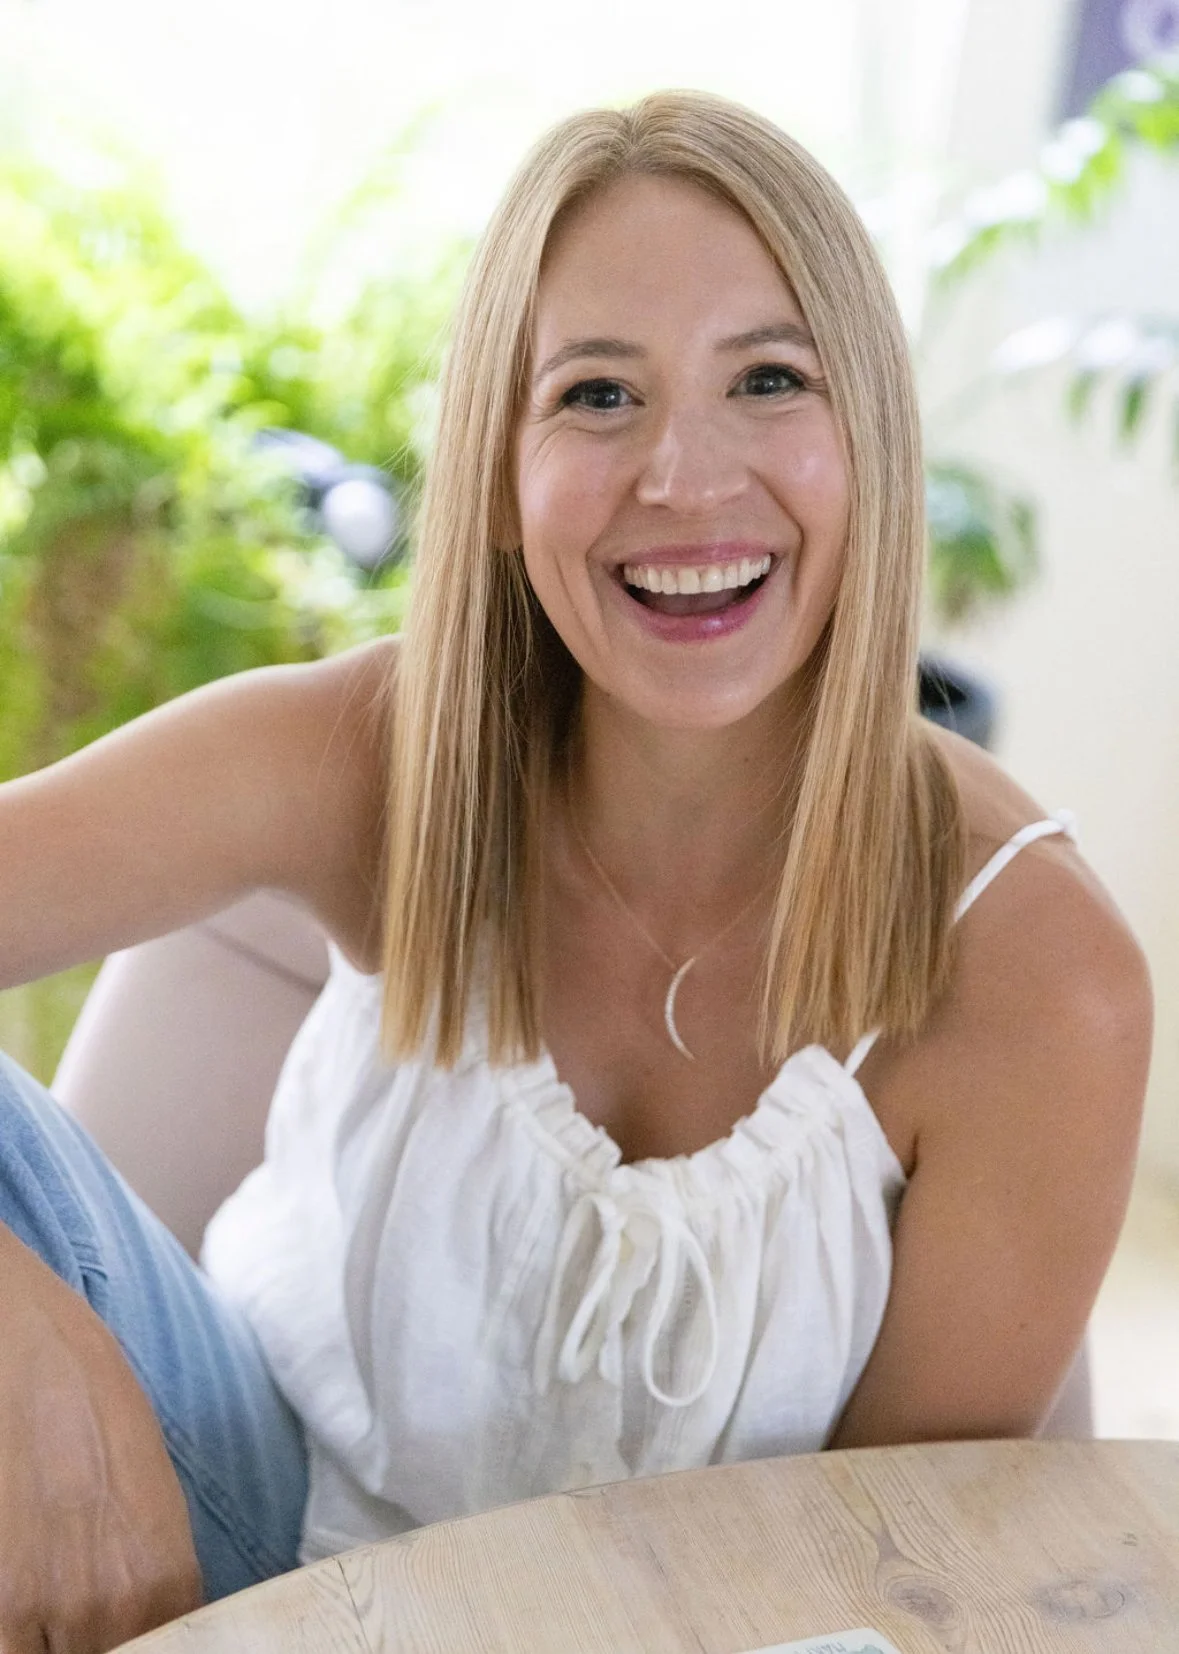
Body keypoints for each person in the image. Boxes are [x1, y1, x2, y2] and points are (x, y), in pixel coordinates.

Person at [0, 89, 1152, 1651]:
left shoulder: (1037, 973)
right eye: (597, 394)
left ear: (871, 442)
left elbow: (874, 1585)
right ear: (497, 470)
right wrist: (23, 1336)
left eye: (767, 378)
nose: (683, 476)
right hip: (250, 1539)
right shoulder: (369, 756)